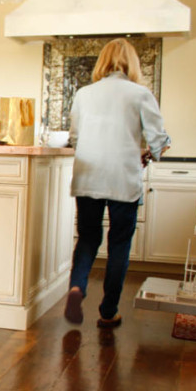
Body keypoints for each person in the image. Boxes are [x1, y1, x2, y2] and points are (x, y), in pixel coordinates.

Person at [63, 38, 171, 328]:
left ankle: (77, 287)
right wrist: (152, 152)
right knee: (119, 244)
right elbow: (159, 141)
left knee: (87, 238)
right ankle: (108, 311)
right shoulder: (140, 94)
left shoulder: (84, 94)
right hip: (123, 178)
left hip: (89, 175)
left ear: (102, 62)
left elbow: (74, 138)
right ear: (133, 64)